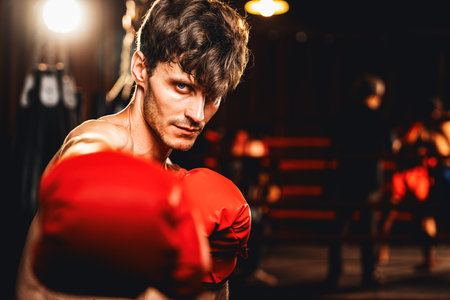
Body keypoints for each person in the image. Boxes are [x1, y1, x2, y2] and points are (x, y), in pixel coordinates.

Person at [15, 0, 251, 299]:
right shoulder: (99, 143)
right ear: (141, 69)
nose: (198, 114)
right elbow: (85, 170)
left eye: (212, 96)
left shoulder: (177, 186)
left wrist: (211, 280)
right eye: (182, 87)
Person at [327, 73, 391, 288]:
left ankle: (334, 273)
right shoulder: (378, 118)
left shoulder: (344, 115)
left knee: (339, 229)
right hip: (369, 179)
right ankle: (369, 274)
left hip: (346, 176)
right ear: (376, 95)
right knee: (368, 230)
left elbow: (333, 141)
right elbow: (390, 145)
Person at [378, 96, 450, 271]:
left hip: (421, 174)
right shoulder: (413, 127)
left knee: (425, 215)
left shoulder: (440, 127)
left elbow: (444, 150)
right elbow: (396, 146)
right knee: (390, 211)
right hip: (406, 173)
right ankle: (380, 251)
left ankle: (429, 257)